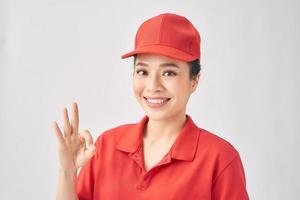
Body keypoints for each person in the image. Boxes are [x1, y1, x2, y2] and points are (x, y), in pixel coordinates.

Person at [53, 13, 250, 200]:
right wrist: (68, 170)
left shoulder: (220, 158)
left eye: (169, 73)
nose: (153, 86)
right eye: (142, 71)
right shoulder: (105, 147)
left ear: (194, 81)